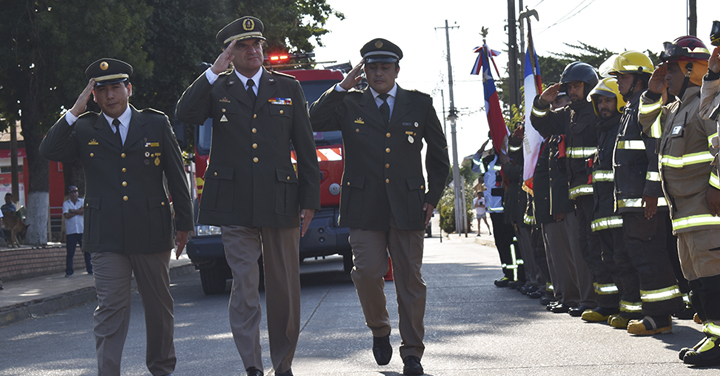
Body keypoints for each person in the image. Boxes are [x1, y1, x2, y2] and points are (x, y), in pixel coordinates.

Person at [175, 17, 320, 376]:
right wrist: (213, 72)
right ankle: (253, 365)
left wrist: (310, 199)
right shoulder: (216, 88)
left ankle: (282, 363)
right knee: (245, 285)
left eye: (256, 43)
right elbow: (184, 113)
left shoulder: (286, 87)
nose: (253, 50)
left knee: (285, 287)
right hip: (234, 202)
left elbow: (305, 146)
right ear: (229, 53)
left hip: (280, 200)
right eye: (242, 45)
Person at [39, 58, 193, 376]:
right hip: (106, 235)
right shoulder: (84, 128)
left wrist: (185, 224)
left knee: (159, 307)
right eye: (101, 90)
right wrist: (76, 108)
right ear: (93, 95)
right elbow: (49, 150)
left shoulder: (155, 123)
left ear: (128, 89)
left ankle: (162, 367)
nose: (110, 96)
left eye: (115, 88)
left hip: (151, 230)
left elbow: (177, 177)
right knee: (110, 308)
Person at [309, 38, 449, 376]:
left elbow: (439, 154)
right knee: (368, 273)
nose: (378, 73)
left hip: (408, 206)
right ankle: (379, 328)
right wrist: (342, 85)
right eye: (371, 67)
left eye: (385, 67)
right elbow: (314, 119)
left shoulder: (418, 103)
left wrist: (432, 197)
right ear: (364, 71)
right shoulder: (349, 103)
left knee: (409, 282)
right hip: (363, 206)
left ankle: (413, 353)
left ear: (397, 70)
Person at [640, 36, 719, 366]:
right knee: (698, 281)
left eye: (671, 68)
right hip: (685, 216)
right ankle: (712, 336)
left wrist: (717, 187)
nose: (666, 74)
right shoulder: (675, 109)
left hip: (707, 213)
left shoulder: (707, 106)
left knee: (713, 279)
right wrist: (650, 91)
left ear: (692, 68)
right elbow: (647, 125)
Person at [607, 51, 684, 334]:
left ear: (640, 79)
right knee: (640, 255)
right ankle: (654, 314)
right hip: (633, 200)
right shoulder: (631, 108)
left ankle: (659, 318)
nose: (618, 83)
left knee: (649, 255)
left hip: (645, 202)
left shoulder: (647, 107)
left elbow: (655, 154)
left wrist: (652, 193)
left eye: (623, 77)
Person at [531, 62, 599, 316]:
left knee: (590, 250)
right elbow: (542, 124)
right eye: (569, 87)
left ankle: (593, 299)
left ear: (589, 85)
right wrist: (541, 103)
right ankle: (587, 299)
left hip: (595, 192)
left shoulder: (597, 111)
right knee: (582, 247)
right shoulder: (568, 114)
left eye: (577, 86)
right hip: (576, 194)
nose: (572, 91)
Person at [580, 77, 626, 323]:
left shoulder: (621, 127)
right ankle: (607, 305)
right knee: (604, 259)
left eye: (609, 100)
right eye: (600, 101)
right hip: (601, 208)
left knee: (622, 260)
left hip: (617, 208)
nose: (604, 105)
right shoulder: (603, 130)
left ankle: (628, 308)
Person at [63, 185, 92, 277]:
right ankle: (69, 271)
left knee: (87, 251)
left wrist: (73, 211)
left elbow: (84, 211)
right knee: (70, 253)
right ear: (69, 194)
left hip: (82, 230)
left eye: (75, 192)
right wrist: (77, 211)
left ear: (78, 193)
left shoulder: (82, 202)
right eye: (72, 192)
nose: (74, 194)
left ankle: (90, 269)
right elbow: (66, 215)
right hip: (71, 231)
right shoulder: (66, 204)